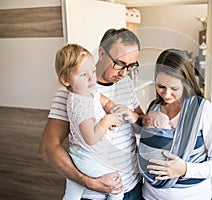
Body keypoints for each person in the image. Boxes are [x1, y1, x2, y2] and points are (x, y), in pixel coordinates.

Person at [39, 28, 144, 200]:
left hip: (132, 187)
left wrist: (135, 117)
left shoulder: (125, 83)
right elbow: (47, 148)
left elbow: (141, 126)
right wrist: (88, 181)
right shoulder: (71, 94)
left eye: (131, 66)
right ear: (102, 53)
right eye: (119, 63)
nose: (124, 73)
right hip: (93, 194)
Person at [138, 48, 212, 200]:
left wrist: (185, 169)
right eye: (161, 87)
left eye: (174, 88)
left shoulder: (204, 111)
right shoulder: (154, 107)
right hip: (149, 195)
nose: (166, 94)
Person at [54, 43, 126, 200]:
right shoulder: (80, 103)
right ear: (66, 80)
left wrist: (113, 111)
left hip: (80, 154)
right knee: (117, 186)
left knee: (72, 194)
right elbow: (91, 138)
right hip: (88, 156)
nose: (91, 77)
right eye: (82, 74)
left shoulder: (88, 91)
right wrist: (108, 120)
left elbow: (106, 102)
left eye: (92, 71)